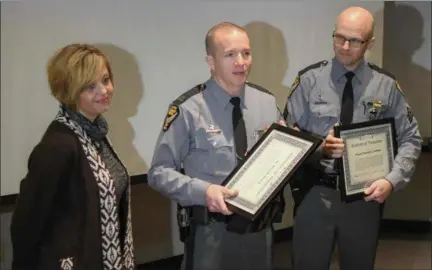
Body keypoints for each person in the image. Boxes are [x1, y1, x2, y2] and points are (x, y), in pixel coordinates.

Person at [284, 6, 422, 270]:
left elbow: (410, 138)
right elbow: (287, 136)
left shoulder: (386, 86)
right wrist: (318, 147)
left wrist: (391, 181)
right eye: (339, 37)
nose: (345, 46)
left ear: (370, 43)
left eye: (355, 40)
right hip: (315, 192)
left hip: (364, 198)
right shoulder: (308, 80)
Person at [148, 22, 287, 270]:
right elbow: (158, 173)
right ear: (211, 61)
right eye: (230, 54)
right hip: (211, 232)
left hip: (259, 229)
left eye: (246, 53)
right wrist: (205, 192)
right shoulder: (189, 109)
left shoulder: (266, 102)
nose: (241, 62)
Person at [10, 44, 136, 270]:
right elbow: (26, 222)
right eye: (90, 86)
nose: (104, 91)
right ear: (69, 91)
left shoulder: (95, 132)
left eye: (106, 80)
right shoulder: (58, 145)